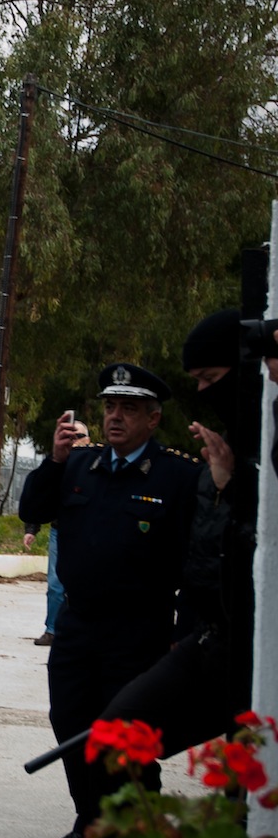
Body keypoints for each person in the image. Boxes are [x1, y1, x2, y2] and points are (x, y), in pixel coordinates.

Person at [18, 363, 201, 838]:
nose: (115, 417)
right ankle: (91, 820)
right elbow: (32, 506)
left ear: (153, 418)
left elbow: (198, 560)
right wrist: (54, 460)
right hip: (78, 626)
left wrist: (182, 634)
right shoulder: (81, 465)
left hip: (139, 631)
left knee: (125, 741)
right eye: (109, 407)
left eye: (128, 409)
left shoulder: (178, 476)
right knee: (71, 725)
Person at [96, 314, 267, 776]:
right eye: (197, 381)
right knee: (116, 731)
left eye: (211, 378)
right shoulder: (228, 449)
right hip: (214, 635)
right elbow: (204, 557)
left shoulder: (224, 455)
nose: (205, 392)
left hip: (246, 642)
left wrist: (230, 487)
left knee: (247, 770)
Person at [22, 520, 61, 646]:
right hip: (60, 529)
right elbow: (42, 500)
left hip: (90, 527)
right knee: (55, 584)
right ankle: (51, 631)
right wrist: (31, 529)